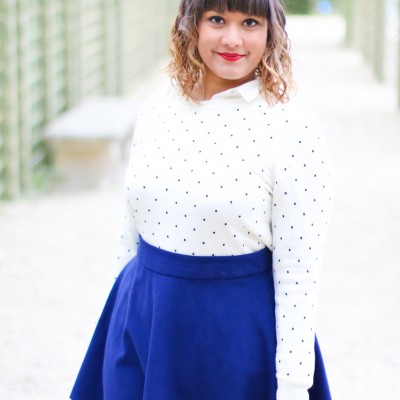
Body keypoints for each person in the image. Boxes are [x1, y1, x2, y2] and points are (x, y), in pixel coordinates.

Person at [70, 1, 333, 399]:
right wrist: (116, 325)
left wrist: (294, 385)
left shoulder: (292, 128)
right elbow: (130, 229)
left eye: (249, 22)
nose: (232, 39)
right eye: (217, 20)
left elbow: (299, 272)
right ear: (191, 25)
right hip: (143, 322)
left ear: (271, 32)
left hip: (233, 339)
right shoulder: (158, 107)